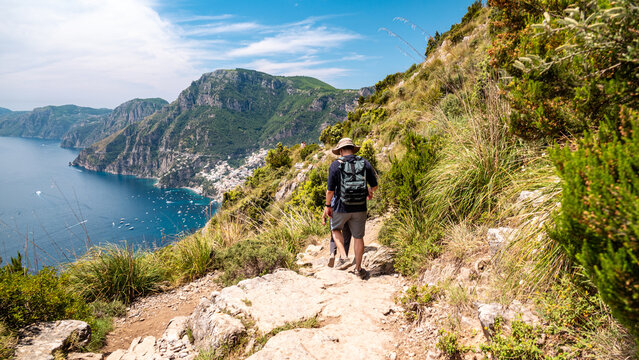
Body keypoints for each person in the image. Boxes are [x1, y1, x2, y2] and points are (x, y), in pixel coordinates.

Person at [323, 138, 378, 279]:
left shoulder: (335, 165)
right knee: (358, 237)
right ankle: (358, 269)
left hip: (341, 207)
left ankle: (343, 256)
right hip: (360, 207)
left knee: (335, 229)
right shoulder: (364, 163)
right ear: (353, 149)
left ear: (340, 151)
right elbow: (374, 185)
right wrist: (369, 192)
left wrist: (328, 205)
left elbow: (330, 191)